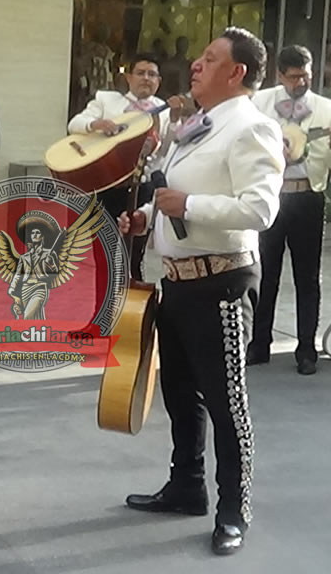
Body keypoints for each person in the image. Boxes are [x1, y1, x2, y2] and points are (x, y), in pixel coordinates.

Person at [118, 27, 284, 555]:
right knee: (180, 395)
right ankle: (186, 485)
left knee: (226, 402)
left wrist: (187, 207)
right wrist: (145, 216)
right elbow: (176, 190)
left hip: (223, 281)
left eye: (209, 59)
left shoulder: (252, 128)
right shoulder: (196, 125)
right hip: (179, 281)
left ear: (236, 73)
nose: (195, 63)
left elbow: (259, 210)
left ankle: (233, 509)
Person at [247, 45, 331, 375]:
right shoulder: (258, 103)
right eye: (294, 76)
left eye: (306, 76)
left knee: (307, 277)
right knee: (265, 273)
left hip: (307, 196)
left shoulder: (326, 109)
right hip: (271, 195)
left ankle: (306, 349)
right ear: (280, 75)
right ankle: (259, 344)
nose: (300, 82)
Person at [68, 53, 182, 280]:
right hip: (108, 184)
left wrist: (176, 120)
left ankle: (132, 307)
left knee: (134, 254)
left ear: (158, 81)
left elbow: (168, 148)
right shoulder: (107, 101)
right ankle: (103, 301)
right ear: (129, 77)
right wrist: (95, 124)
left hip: (144, 187)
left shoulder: (165, 109)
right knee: (104, 250)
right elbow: (74, 124)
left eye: (152, 74)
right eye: (140, 73)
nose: (146, 78)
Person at [8, 213, 59, 319]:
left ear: (42, 236)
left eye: (38, 232)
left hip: (39, 288)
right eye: (32, 233)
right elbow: (18, 275)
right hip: (25, 289)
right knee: (36, 317)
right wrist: (12, 290)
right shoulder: (24, 257)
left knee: (27, 316)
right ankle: (40, 334)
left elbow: (54, 272)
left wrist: (49, 262)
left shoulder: (49, 253)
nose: (35, 235)